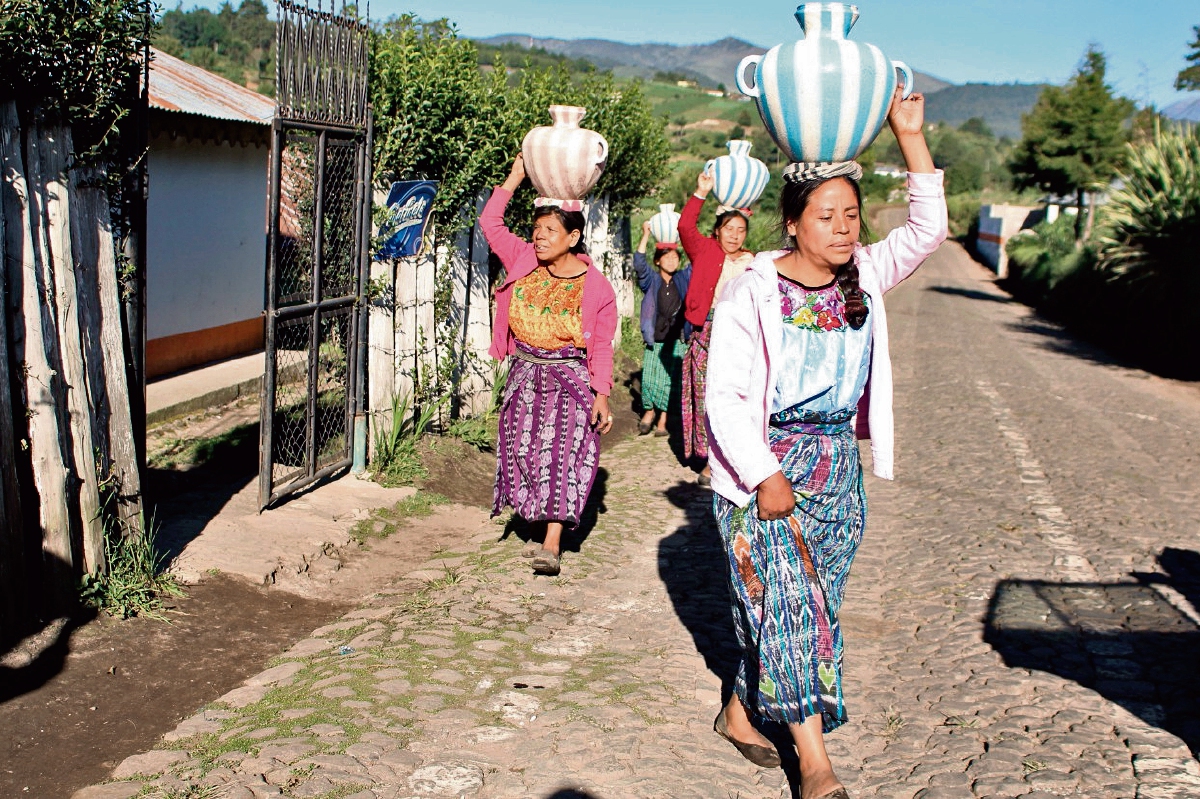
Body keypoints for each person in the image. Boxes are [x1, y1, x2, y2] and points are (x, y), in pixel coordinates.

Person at [704, 91, 945, 799]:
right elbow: (723, 396)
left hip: (837, 466)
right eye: (826, 216)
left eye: (851, 216)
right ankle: (815, 763)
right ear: (793, 222)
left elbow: (929, 229)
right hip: (765, 467)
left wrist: (910, 137)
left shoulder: (865, 273)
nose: (843, 228)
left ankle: (741, 707)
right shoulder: (751, 291)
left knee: (808, 604)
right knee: (788, 603)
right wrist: (763, 473)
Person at [481, 153, 617, 577]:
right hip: (525, 374)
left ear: (573, 237)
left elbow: (603, 348)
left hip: (569, 379)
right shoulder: (522, 260)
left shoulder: (596, 287)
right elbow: (490, 223)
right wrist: (517, 174)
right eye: (536, 229)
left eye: (550, 231)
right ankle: (539, 525)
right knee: (523, 452)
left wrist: (603, 393)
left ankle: (553, 543)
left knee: (562, 454)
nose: (539, 237)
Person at [678, 175, 756, 485]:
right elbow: (685, 227)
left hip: (738, 335)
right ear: (718, 230)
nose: (735, 236)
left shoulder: (753, 262)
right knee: (705, 395)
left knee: (734, 396)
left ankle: (731, 457)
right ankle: (711, 456)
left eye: (741, 231)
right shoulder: (704, 250)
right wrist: (701, 192)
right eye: (729, 229)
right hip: (706, 330)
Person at [633, 220, 691, 436]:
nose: (671, 260)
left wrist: (683, 234)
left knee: (670, 383)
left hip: (676, 340)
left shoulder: (683, 279)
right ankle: (648, 412)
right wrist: (646, 234)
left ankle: (663, 421)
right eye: (666, 256)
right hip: (654, 339)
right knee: (649, 380)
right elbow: (639, 263)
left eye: (675, 256)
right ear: (657, 261)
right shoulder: (651, 281)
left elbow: (696, 260)